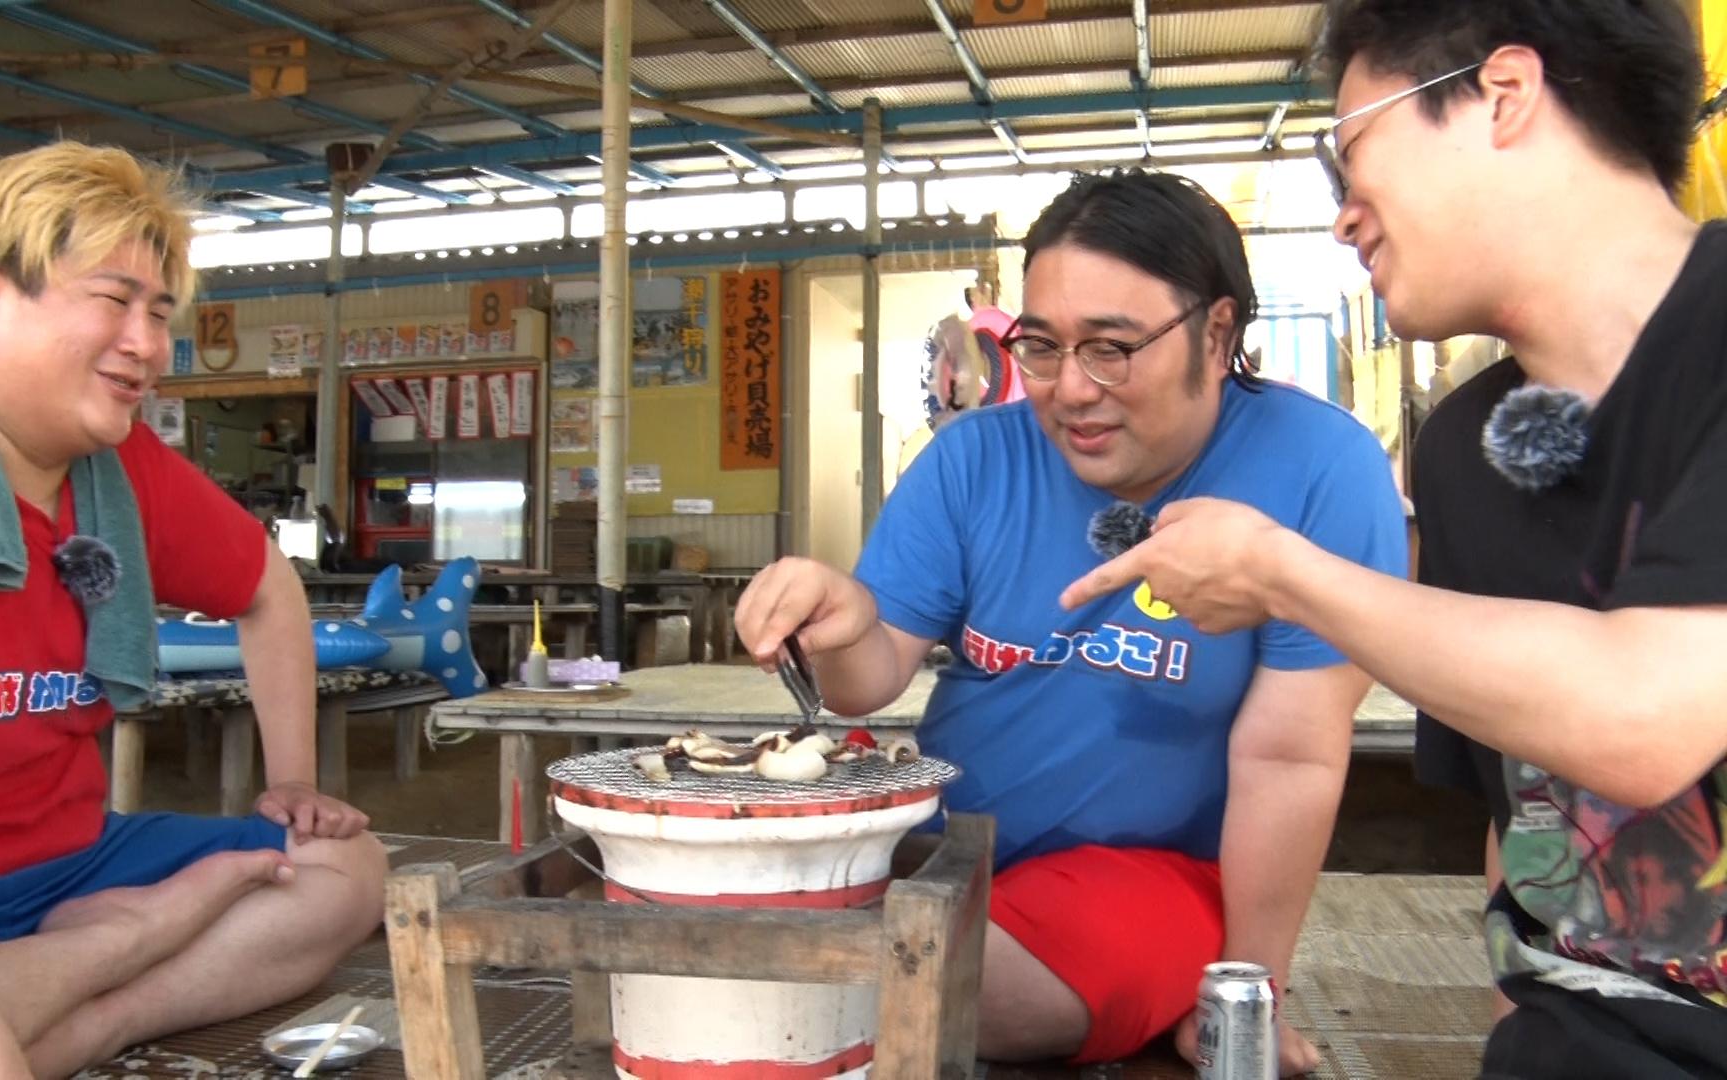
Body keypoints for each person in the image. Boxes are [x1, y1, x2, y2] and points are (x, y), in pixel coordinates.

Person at [1060, 3, 1727, 1075]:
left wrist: (1283, 572)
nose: (1343, 217)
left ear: (1503, 97)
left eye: (1351, 152)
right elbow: (1528, 814)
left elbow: (1642, 720)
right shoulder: (1466, 449)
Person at [737, 168, 1407, 1073]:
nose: (1070, 391)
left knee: (955, 987)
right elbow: (869, 681)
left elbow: (1290, 754)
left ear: (1217, 333)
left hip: (1144, 879)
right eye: (1044, 348)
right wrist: (847, 620)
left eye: (1113, 349)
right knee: (790, 922)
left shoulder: (1320, 469)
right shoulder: (973, 459)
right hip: (943, 854)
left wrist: (1245, 1000)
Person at [0, 142, 387, 1078]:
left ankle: (86, 1022)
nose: (148, 344)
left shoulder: (121, 474)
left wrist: (296, 782)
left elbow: (268, 589)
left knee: (345, 872)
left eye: (158, 313)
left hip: (66, 859)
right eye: (113, 302)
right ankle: (120, 947)